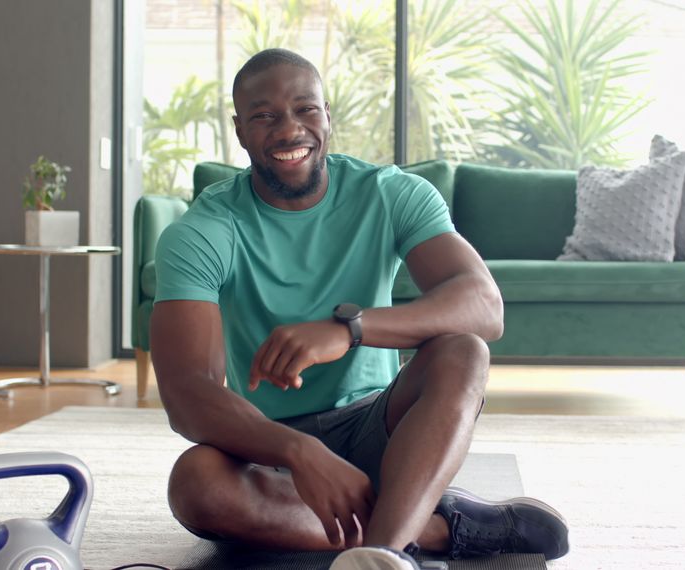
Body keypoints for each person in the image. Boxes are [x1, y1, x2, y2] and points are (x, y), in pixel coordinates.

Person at [150, 48, 569, 569]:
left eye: (305, 109)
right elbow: (188, 395)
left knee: (463, 350)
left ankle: (383, 555)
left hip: (381, 429)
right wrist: (301, 453)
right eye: (264, 115)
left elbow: (484, 306)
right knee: (195, 485)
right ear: (239, 130)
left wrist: (351, 329)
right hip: (269, 445)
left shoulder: (392, 193)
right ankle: (436, 530)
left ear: (328, 117)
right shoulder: (202, 231)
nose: (288, 130)